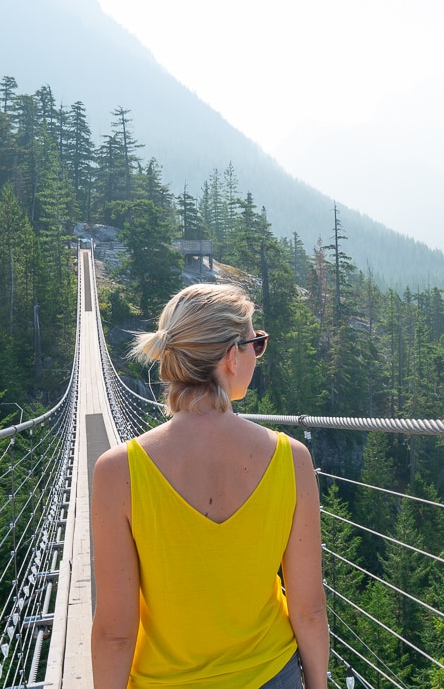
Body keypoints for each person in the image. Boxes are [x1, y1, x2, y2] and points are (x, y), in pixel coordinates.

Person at [91, 282, 328, 688]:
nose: (257, 354)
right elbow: (308, 609)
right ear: (231, 357)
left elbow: (115, 633)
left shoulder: (118, 472)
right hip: (272, 676)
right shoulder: (292, 460)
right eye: (256, 343)